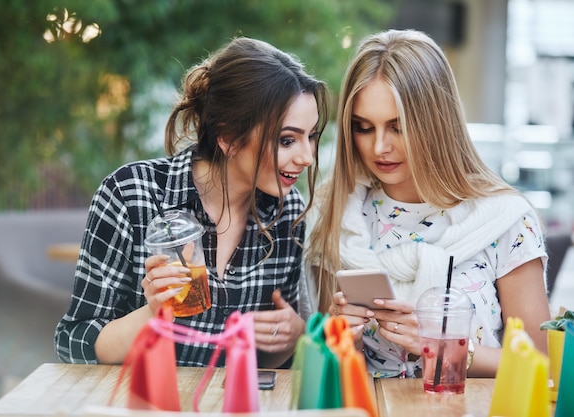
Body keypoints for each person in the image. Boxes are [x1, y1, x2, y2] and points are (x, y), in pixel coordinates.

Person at [55, 36, 329, 368]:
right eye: (288, 140)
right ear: (228, 138)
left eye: (311, 136)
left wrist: (292, 337)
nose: (307, 157)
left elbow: (262, 369)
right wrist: (152, 313)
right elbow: (73, 344)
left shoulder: (287, 214)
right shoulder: (131, 195)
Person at [306, 29, 551, 378]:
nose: (379, 147)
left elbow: (542, 366)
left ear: (436, 122)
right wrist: (341, 337)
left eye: (398, 127)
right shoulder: (336, 212)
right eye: (363, 128)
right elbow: (332, 373)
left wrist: (443, 346)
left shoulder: (505, 218)